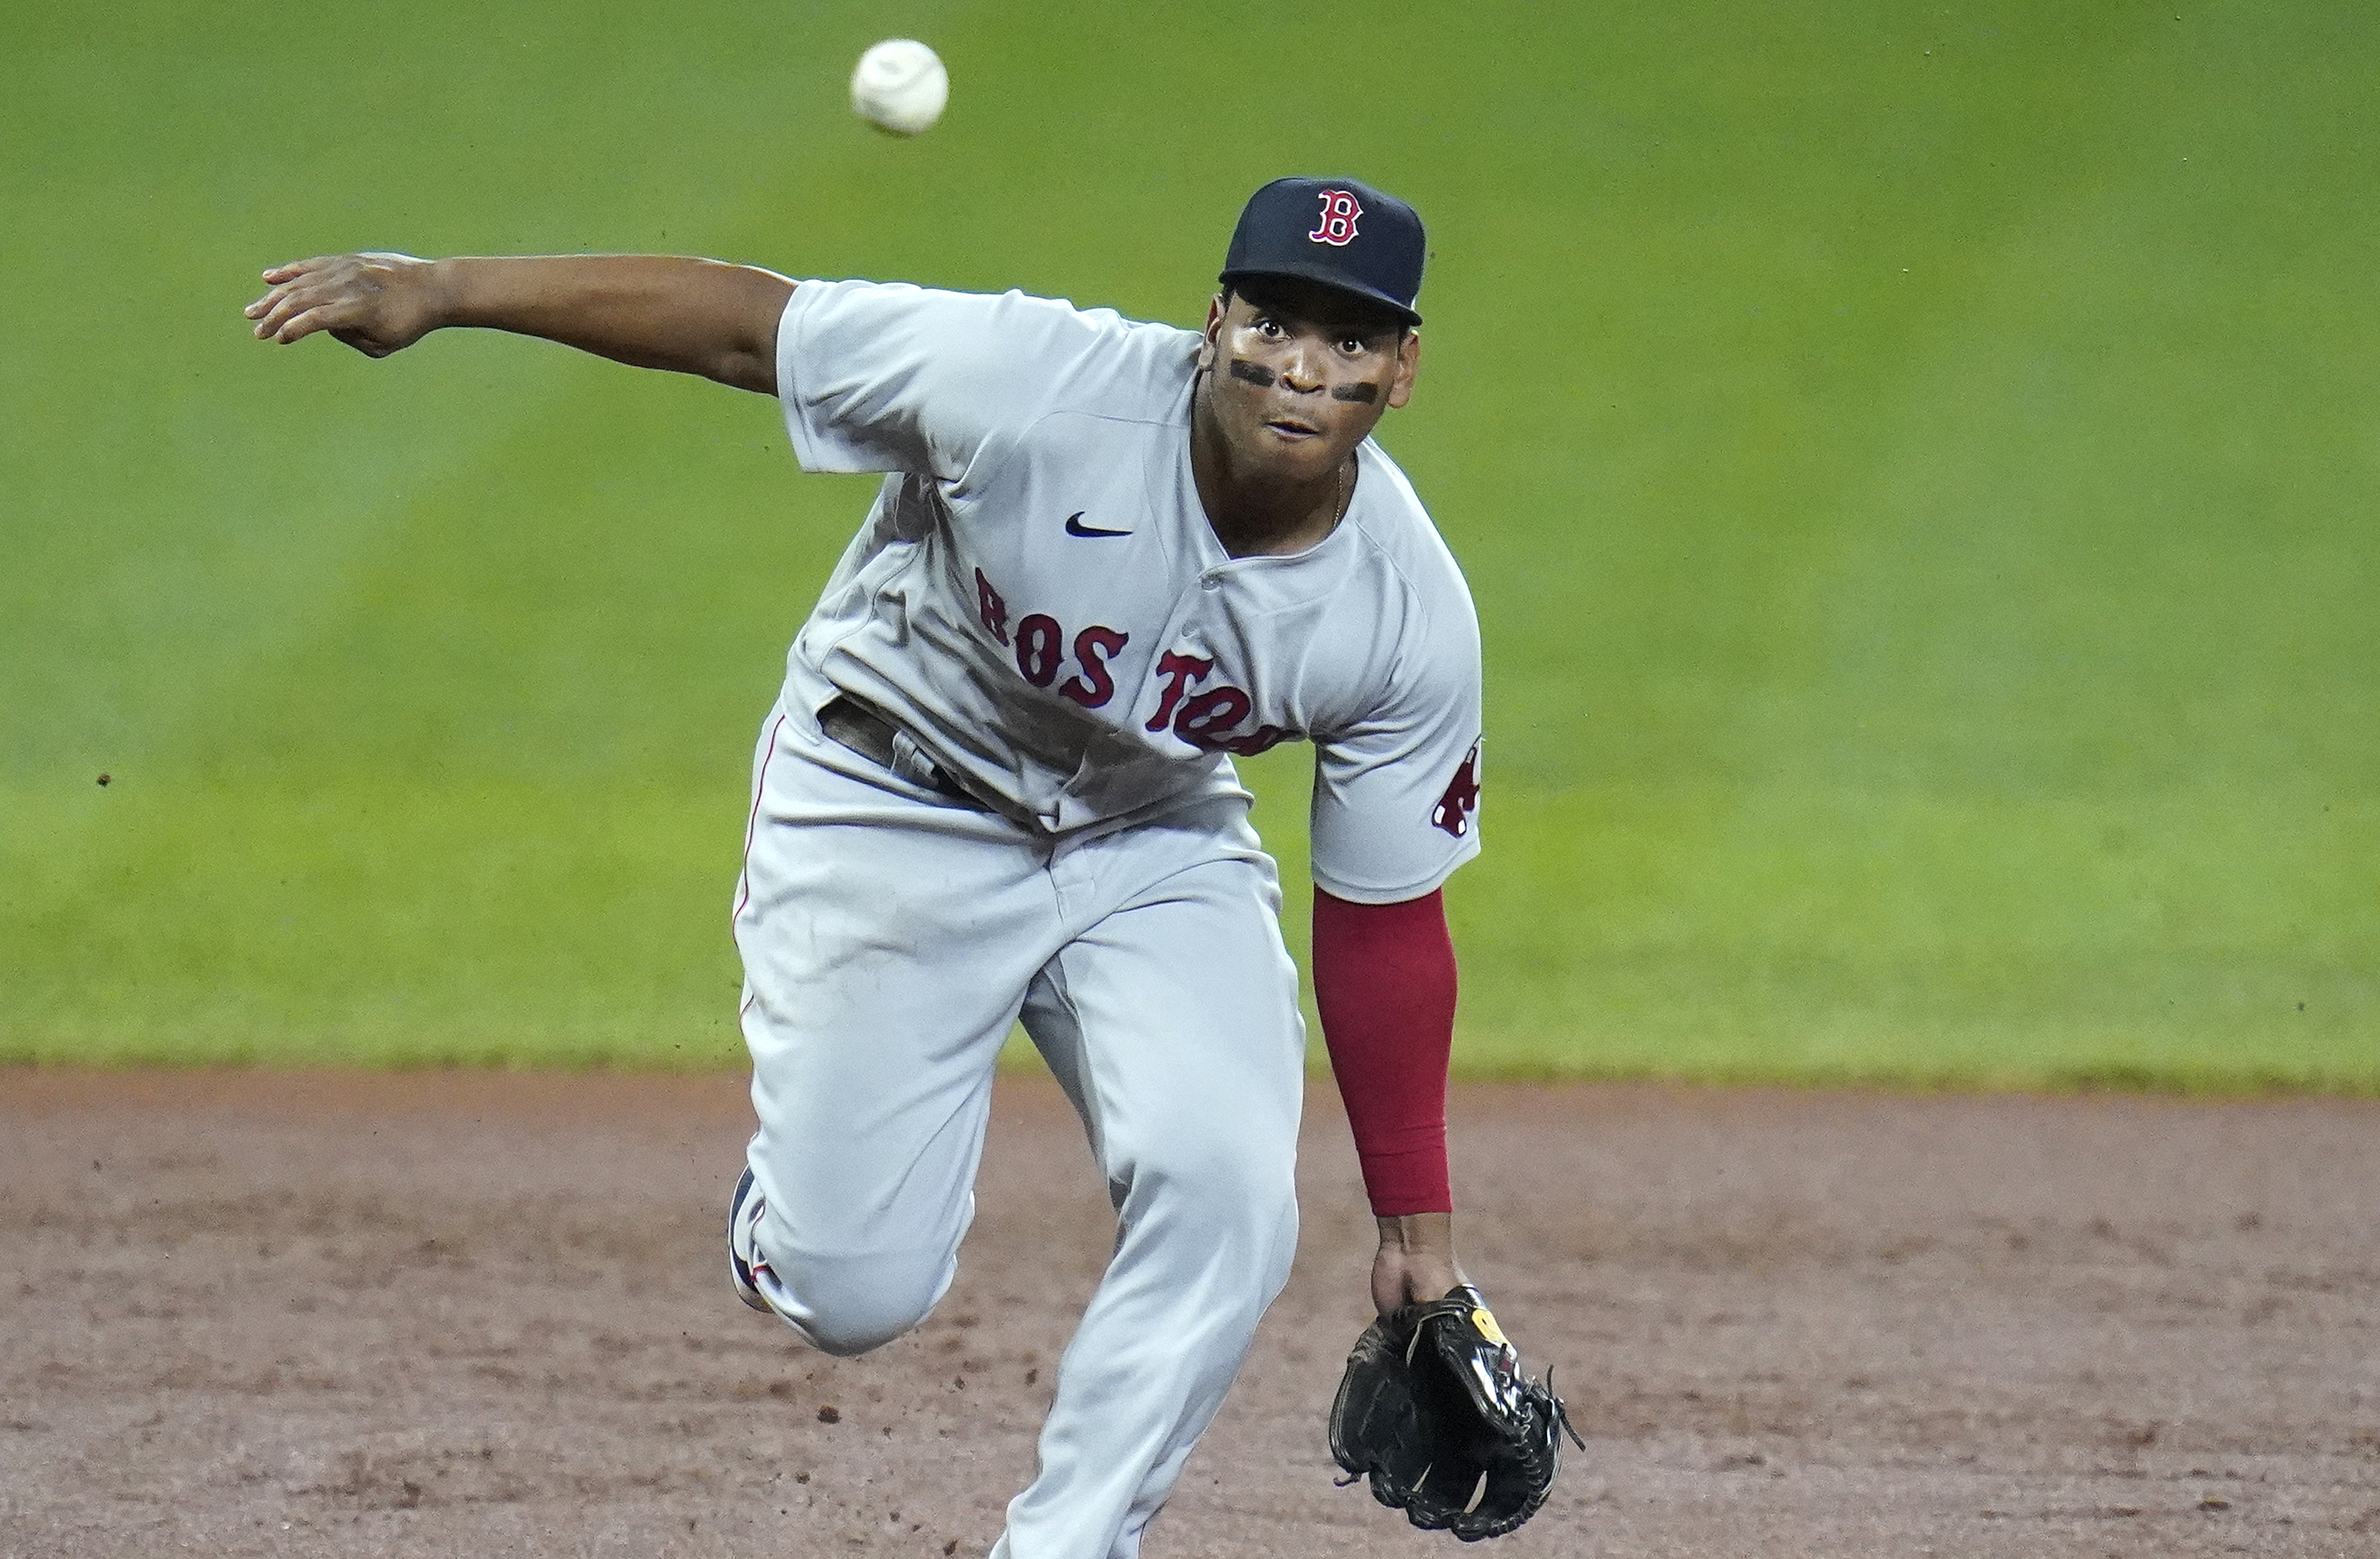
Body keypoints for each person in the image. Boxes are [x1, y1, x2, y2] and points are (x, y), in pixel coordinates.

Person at [245, 176, 1487, 1559]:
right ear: (1213, 321)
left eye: (1350, 340)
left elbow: (1386, 927)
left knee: (1231, 1191)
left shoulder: (1403, 611)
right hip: (889, 796)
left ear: (1403, 370)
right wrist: (443, 289)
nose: (1302, 368)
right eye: (1273, 321)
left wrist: (1415, 1230)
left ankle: (1070, 1543)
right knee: (851, 1294)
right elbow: (742, 328)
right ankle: (786, 1226)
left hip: (1149, 833)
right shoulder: (1028, 384)